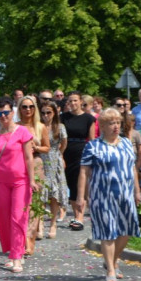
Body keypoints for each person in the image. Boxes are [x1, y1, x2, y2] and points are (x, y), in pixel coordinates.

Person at [78, 108, 141, 281]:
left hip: (125, 194)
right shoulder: (93, 146)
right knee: (108, 233)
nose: (115, 126)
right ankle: (111, 270)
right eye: (111, 123)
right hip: (102, 195)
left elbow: (132, 168)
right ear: (103, 126)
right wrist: (82, 197)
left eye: (118, 123)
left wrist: (137, 190)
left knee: (127, 230)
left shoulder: (127, 143)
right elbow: (84, 172)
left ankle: (111, 261)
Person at [0, 96, 36, 274]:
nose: (3, 116)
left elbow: (28, 157)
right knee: (3, 217)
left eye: (6, 112)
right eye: (0, 113)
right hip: (1, 180)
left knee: (18, 217)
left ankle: (17, 256)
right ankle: (11, 251)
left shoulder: (22, 131)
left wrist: (31, 180)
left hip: (20, 180)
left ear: (12, 112)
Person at [60, 91, 96, 231]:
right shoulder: (63, 117)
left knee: (78, 184)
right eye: (70, 101)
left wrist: (92, 156)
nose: (73, 103)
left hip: (82, 151)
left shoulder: (88, 118)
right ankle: (76, 215)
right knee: (69, 183)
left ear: (81, 101)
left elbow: (91, 139)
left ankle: (79, 217)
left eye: (75, 100)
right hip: (66, 151)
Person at [16, 96, 48, 251]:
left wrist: (36, 148)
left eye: (31, 107)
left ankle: (30, 237)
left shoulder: (40, 127)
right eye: (24, 107)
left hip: (35, 163)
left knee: (34, 202)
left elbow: (47, 147)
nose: (27, 110)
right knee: (20, 203)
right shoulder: (15, 126)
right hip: (18, 164)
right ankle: (20, 236)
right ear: (19, 109)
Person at [39, 101, 68, 238]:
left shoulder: (59, 127)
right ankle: (39, 224)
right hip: (40, 160)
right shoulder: (38, 126)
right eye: (43, 113)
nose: (46, 115)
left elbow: (64, 143)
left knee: (54, 193)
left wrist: (59, 155)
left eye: (48, 112)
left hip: (54, 159)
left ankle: (53, 223)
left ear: (54, 113)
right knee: (40, 192)